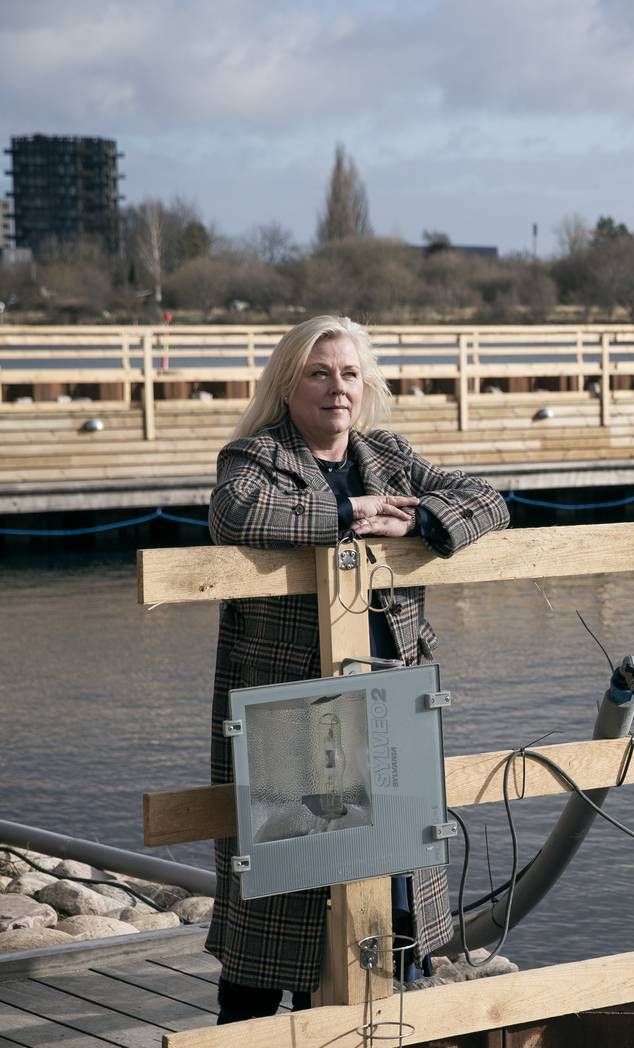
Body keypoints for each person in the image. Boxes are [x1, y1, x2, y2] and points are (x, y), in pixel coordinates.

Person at [205, 314, 509, 1022]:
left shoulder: (391, 455)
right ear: (288, 385)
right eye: (319, 372)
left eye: (348, 373)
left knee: (384, 907)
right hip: (293, 714)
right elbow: (237, 516)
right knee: (283, 914)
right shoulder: (253, 457)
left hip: (387, 704)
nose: (337, 388)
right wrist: (348, 510)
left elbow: (490, 500)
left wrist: (421, 520)